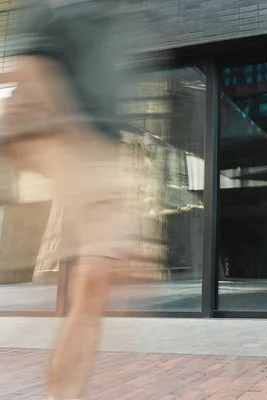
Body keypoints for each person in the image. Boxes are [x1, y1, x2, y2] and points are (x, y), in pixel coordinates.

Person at [1, 2, 154, 399]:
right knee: (95, 280)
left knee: (94, 286)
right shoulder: (56, 7)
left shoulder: (125, 20)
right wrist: (73, 132)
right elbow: (30, 62)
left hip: (97, 147)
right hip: (53, 129)